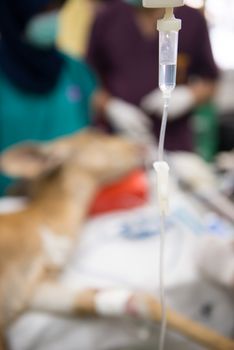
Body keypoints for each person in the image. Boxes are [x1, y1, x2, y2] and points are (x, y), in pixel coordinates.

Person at [86, 0, 219, 151]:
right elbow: (86, 82)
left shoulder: (191, 20)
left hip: (174, 144)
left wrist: (187, 96)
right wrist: (111, 107)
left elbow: (211, 81)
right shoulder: (107, 18)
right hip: (119, 144)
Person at [0, 0, 99, 194]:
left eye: (56, 10)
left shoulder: (73, 69)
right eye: (43, 11)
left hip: (70, 199)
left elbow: (89, 128)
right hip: (10, 206)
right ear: (17, 15)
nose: (52, 19)